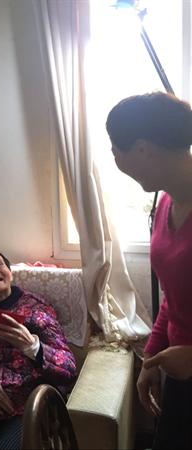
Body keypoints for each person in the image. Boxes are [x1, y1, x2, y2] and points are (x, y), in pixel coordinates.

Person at [106, 91, 192, 449]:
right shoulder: (165, 203)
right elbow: (175, 296)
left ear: (142, 149)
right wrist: (151, 360)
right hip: (179, 371)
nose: (114, 158)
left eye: (116, 149)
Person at [0, 249, 77, 450]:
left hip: (28, 404)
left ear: (10, 273)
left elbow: (69, 368)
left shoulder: (36, 308)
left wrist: (32, 346)